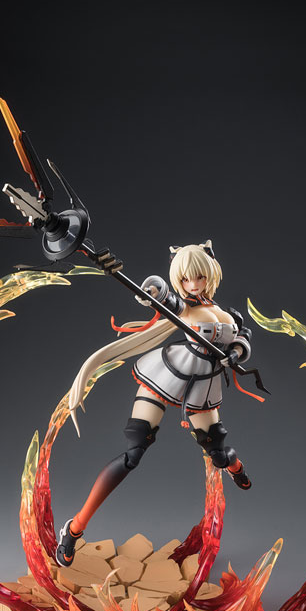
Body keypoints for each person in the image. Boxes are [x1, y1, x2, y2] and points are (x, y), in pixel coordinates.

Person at [56, 241, 254, 567]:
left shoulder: (229, 314)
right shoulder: (182, 307)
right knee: (134, 451)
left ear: (210, 275)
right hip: (166, 375)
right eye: (186, 279)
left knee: (219, 453)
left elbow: (243, 336)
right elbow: (161, 297)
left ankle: (236, 468)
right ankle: (74, 528)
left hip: (203, 385)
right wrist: (150, 290)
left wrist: (236, 352)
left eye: (199, 277)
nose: (193, 284)